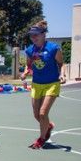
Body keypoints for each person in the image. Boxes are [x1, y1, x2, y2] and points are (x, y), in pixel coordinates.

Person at [21, 20, 66, 149]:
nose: (33, 37)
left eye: (36, 34)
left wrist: (62, 74)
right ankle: (49, 126)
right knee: (36, 114)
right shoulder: (30, 50)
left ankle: (42, 138)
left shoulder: (53, 48)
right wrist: (25, 73)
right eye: (31, 35)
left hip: (52, 84)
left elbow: (61, 64)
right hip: (37, 84)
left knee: (42, 113)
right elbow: (29, 65)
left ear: (43, 34)